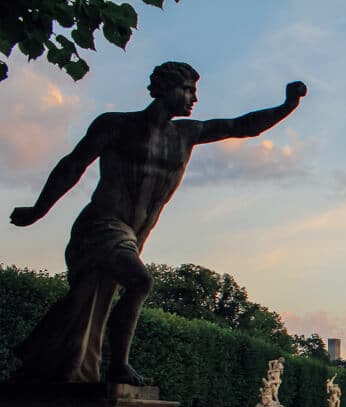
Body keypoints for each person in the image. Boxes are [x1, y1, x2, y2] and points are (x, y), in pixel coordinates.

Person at [9, 62, 307, 384]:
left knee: (86, 303)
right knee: (139, 282)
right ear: (166, 88)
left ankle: (43, 361)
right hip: (101, 225)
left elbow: (241, 126)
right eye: (188, 90)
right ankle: (118, 366)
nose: (194, 98)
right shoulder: (116, 125)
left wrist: (287, 106)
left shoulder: (187, 134)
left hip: (134, 234)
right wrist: (38, 209)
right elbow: (73, 165)